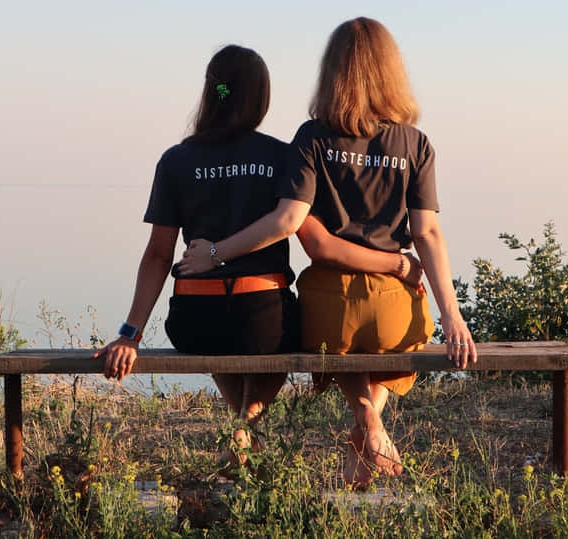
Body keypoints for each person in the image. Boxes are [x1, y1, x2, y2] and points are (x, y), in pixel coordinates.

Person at [177, 18, 477, 488]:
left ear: (332, 72)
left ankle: (364, 424)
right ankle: (369, 427)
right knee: (404, 337)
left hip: (328, 303)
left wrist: (214, 253)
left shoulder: (312, 139)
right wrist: (452, 317)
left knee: (331, 340)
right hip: (396, 302)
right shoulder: (416, 145)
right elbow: (429, 235)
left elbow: (295, 226)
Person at [95, 44, 302, 474]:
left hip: (195, 322)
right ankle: (245, 427)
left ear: (211, 92)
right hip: (265, 321)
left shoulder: (177, 160)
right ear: (261, 97)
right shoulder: (282, 156)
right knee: (282, 330)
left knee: (222, 334)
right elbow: (302, 227)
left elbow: (157, 255)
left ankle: (242, 432)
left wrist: (129, 333)